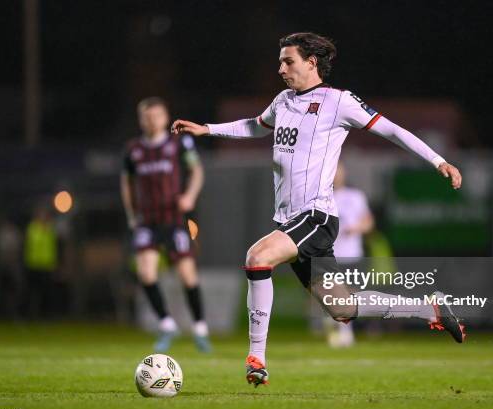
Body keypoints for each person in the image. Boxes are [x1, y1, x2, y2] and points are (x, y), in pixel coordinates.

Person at [172, 32, 465, 386]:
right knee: (341, 308)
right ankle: (429, 309)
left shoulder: (339, 101)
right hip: (291, 219)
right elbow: (255, 126)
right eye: (280, 61)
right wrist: (207, 129)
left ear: (311, 63)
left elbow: (392, 131)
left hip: (316, 216)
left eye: (288, 61)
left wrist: (438, 161)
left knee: (257, 256)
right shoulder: (283, 101)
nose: (280, 68)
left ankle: (256, 359)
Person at [121, 97, 211, 353]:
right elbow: (126, 183)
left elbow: (197, 171)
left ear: (165, 117)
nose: (152, 120)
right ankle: (166, 323)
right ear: (141, 120)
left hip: (173, 219)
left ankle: (200, 328)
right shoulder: (133, 150)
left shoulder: (179, 142)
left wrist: (190, 196)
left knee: (187, 275)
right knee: (146, 273)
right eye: (147, 116)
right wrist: (131, 214)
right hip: (147, 221)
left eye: (156, 116)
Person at [324, 163, 374, 348]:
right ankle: (336, 330)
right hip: (329, 255)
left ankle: (345, 331)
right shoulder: (321, 197)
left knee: (350, 294)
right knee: (331, 295)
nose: (336, 174)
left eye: (339, 170)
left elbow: (368, 222)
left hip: (352, 254)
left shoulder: (355, 196)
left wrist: (356, 228)